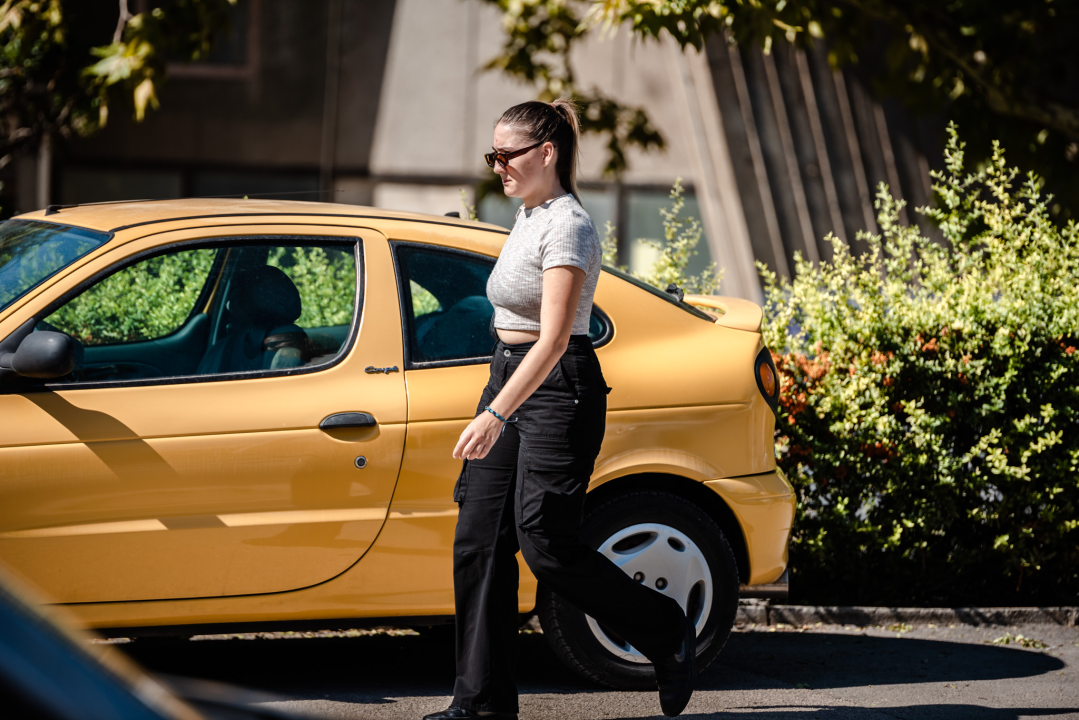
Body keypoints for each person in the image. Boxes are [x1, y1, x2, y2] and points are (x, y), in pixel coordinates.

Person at [423, 100, 696, 720]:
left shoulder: (568, 225)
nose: (497, 167)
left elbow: (552, 338)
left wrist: (494, 413)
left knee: (544, 542)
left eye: (507, 155)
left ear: (547, 153)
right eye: (491, 155)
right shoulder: (528, 215)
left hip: (556, 387)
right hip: (512, 377)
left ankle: (663, 629)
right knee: (478, 541)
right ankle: (482, 704)